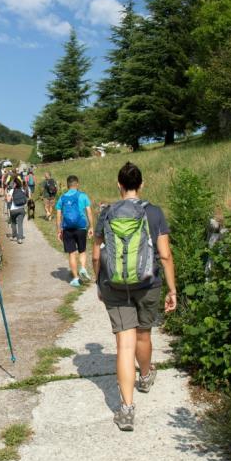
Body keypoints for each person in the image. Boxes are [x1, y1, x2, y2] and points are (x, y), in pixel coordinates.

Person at [92, 161, 177, 432]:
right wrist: (173, 289)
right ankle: (145, 375)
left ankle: (126, 410)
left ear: (119, 185)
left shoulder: (106, 213)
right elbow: (164, 254)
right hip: (148, 283)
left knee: (124, 345)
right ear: (141, 185)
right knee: (144, 334)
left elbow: (96, 253)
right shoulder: (154, 212)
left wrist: (98, 282)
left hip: (114, 285)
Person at [55, 175, 93, 288]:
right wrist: (91, 227)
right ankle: (83, 268)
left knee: (72, 253)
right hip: (81, 227)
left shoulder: (62, 198)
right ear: (77, 184)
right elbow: (89, 212)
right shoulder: (83, 196)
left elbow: (58, 216)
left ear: (67, 185)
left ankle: (76, 279)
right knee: (82, 251)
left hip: (67, 229)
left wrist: (59, 230)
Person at [5, 177, 29, 243]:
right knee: (20, 224)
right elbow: (26, 199)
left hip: (13, 210)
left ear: (14, 184)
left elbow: (8, 200)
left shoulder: (11, 191)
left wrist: (7, 196)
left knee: (13, 222)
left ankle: (14, 236)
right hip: (21, 209)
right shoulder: (22, 191)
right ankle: (20, 238)